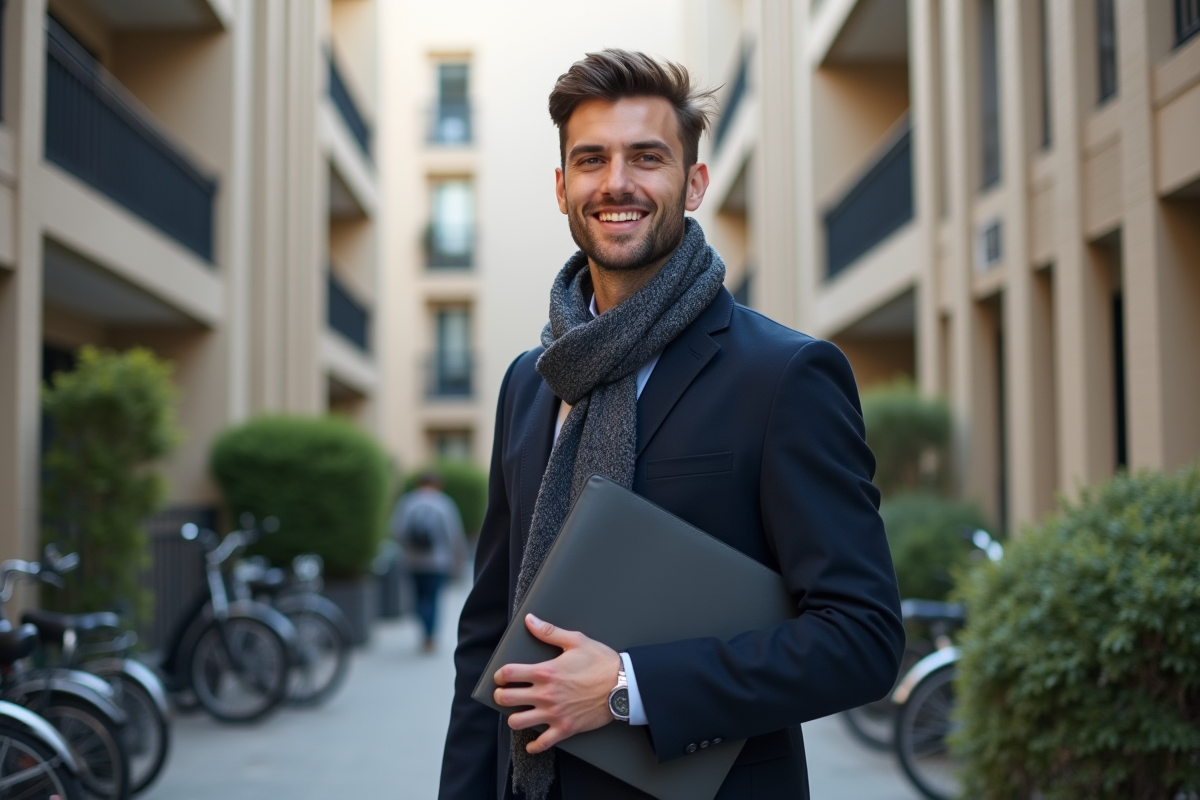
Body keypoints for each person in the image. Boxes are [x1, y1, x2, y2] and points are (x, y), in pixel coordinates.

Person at [439, 49, 905, 800]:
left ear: (693, 183)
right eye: (591, 160)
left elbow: (863, 640)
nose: (616, 182)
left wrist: (627, 686)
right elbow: (487, 634)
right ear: (563, 189)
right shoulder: (528, 386)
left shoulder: (785, 376)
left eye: (646, 157)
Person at [391, 470, 466, 653]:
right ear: (437, 484)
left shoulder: (408, 502)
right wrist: (458, 557)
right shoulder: (444, 503)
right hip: (437, 562)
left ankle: (424, 627)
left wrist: (408, 549)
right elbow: (453, 533)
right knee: (433, 598)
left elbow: (396, 529)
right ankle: (430, 636)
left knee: (417, 598)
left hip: (413, 561)